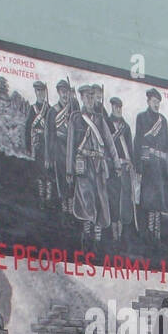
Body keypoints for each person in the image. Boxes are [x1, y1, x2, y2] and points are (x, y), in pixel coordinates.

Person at [69, 85, 117, 245]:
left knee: (100, 202)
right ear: (81, 98)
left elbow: (110, 144)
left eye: (92, 96)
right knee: (86, 202)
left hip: (98, 166)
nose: (89, 99)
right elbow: (71, 145)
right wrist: (69, 170)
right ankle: (86, 237)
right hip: (83, 166)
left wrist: (116, 163)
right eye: (86, 96)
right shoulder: (75, 118)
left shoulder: (100, 119)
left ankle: (97, 240)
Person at [133, 88, 168, 243]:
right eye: (154, 102)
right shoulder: (141, 118)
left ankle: (157, 235)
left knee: (159, 202)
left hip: (160, 167)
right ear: (148, 101)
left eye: (158, 102)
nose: (156, 105)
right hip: (147, 165)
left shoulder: (163, 120)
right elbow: (138, 142)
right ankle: (148, 234)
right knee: (149, 202)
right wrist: (138, 167)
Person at [105, 96, 137, 243]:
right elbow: (106, 147)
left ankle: (123, 233)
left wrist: (131, 163)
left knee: (125, 199)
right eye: (115, 107)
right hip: (113, 167)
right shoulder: (107, 124)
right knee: (113, 199)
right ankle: (114, 234)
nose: (118, 109)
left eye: (120, 107)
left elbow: (130, 148)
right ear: (111, 107)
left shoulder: (126, 127)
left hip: (125, 167)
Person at [24, 80, 55, 207]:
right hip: (38, 145)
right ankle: (41, 198)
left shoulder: (50, 109)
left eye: (42, 91)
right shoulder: (33, 109)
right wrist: (28, 146)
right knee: (40, 173)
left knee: (49, 173)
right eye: (38, 91)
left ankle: (49, 198)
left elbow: (53, 130)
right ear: (36, 93)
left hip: (48, 145)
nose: (40, 94)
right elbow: (28, 128)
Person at [49, 79, 76, 212]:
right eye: (63, 92)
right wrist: (49, 155)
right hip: (59, 150)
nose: (65, 95)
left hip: (73, 151)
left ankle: (72, 209)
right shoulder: (53, 111)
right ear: (59, 93)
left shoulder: (74, 110)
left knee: (73, 181)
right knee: (62, 180)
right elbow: (50, 135)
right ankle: (65, 209)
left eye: (67, 92)